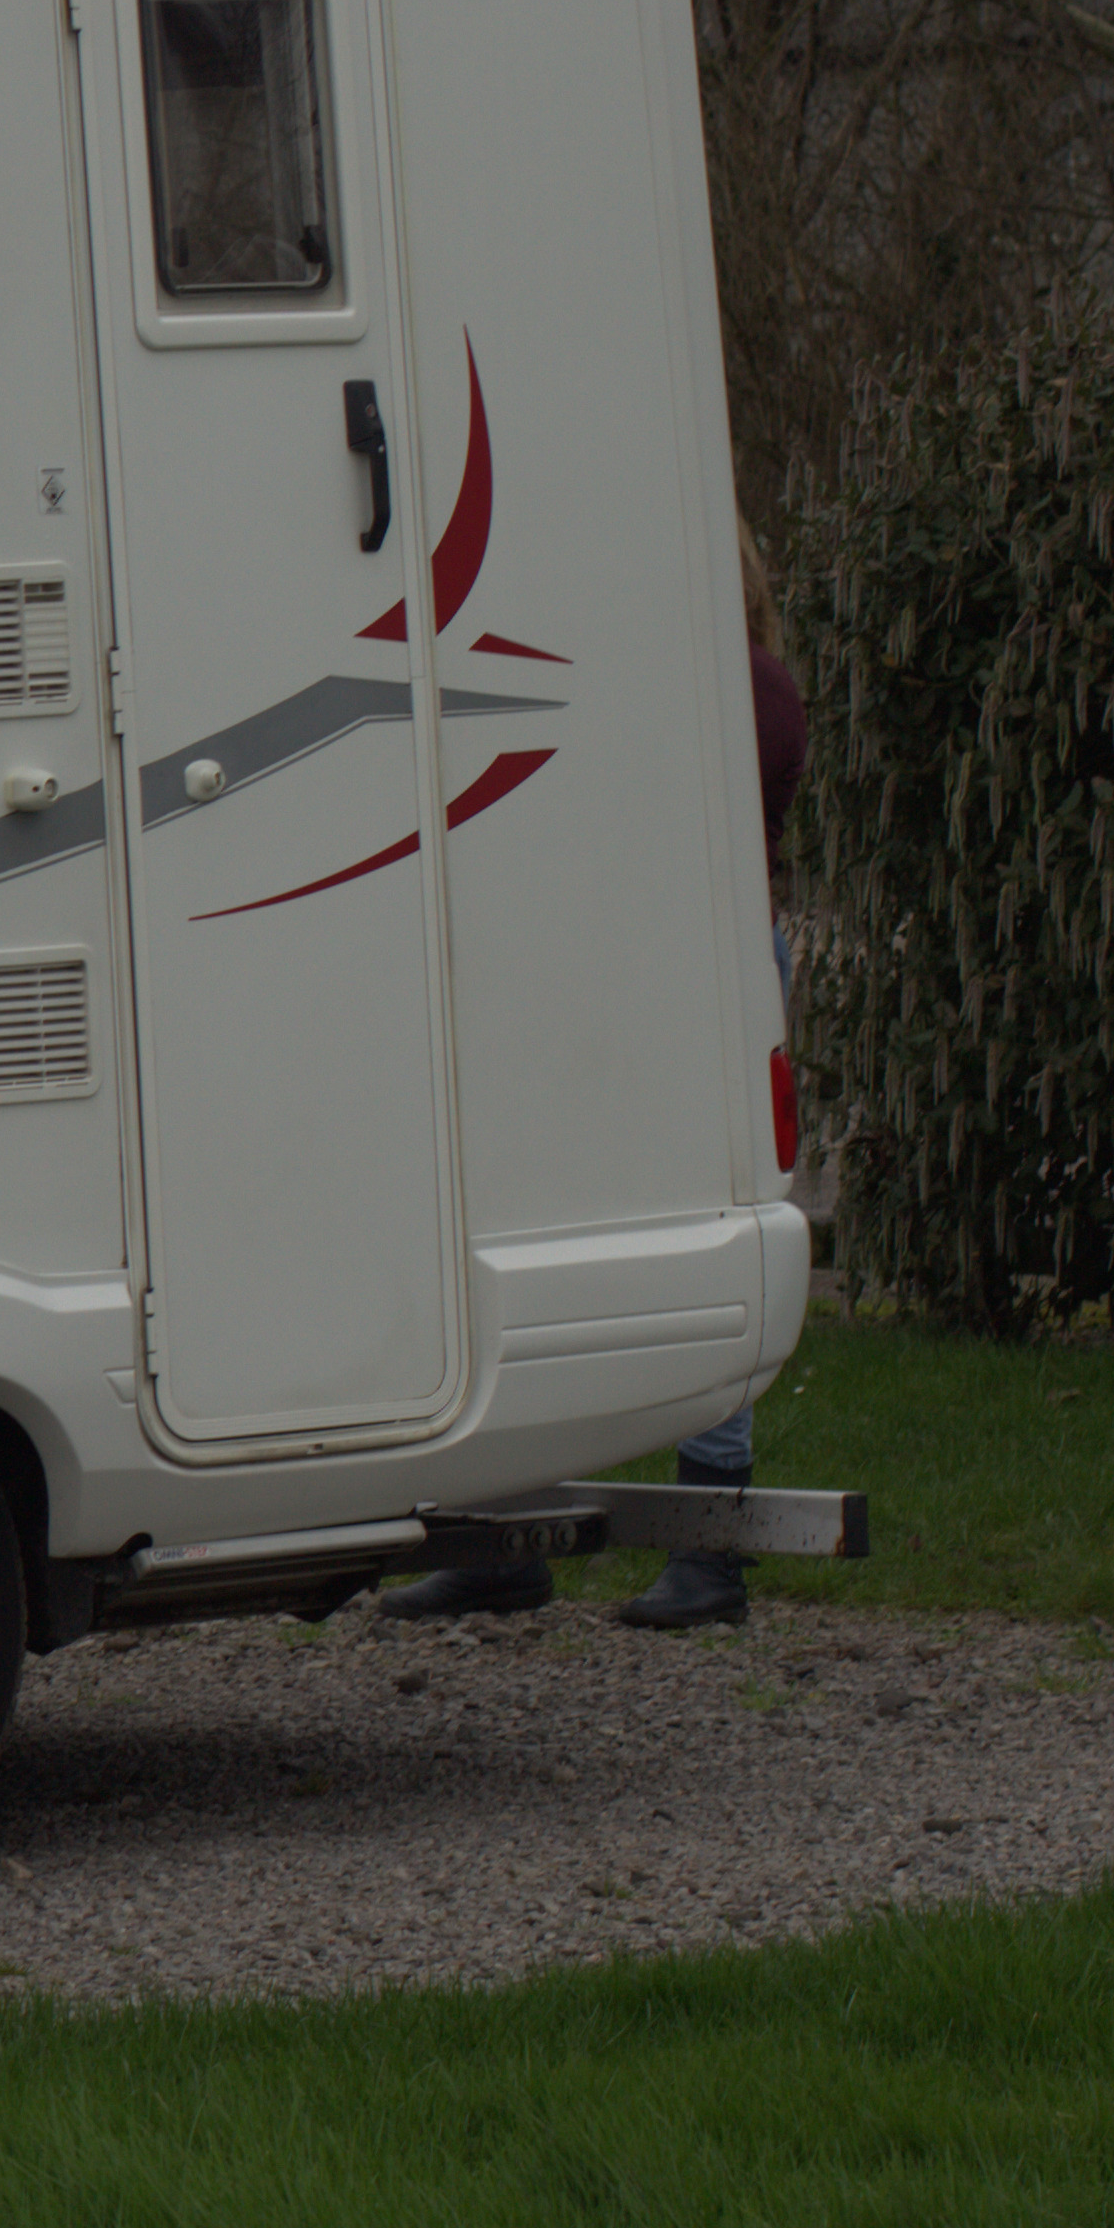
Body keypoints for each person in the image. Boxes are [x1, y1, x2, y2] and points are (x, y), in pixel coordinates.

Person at [384, 524, 804, 1628]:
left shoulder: (738, 689)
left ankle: (709, 1547)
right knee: (539, 1230)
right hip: (661, 958)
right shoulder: (733, 684)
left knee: (696, 1222)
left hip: (697, 965)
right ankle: (507, 1533)